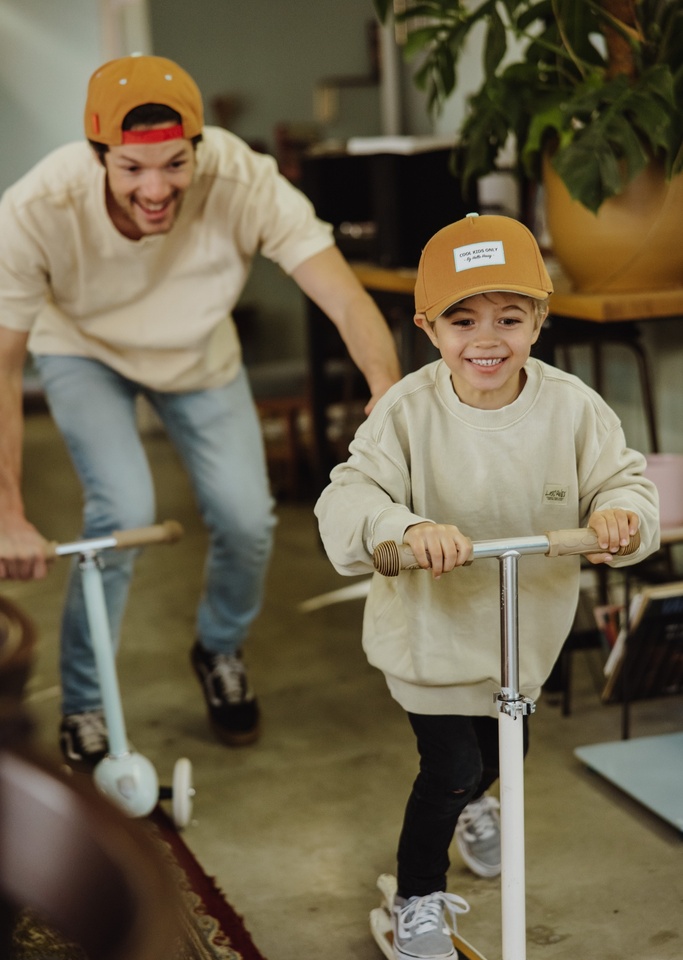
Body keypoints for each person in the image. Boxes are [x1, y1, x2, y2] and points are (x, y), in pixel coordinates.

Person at [0, 54, 401, 769]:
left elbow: (342, 295)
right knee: (119, 512)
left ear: (198, 147)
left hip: (198, 353)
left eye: (174, 165)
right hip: (82, 349)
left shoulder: (243, 178)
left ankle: (218, 649)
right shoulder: (36, 208)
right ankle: (86, 702)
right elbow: (1, 365)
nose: (155, 189)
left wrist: (383, 388)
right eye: (131, 169)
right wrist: (7, 511)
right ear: (99, 157)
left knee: (248, 520)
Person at [315, 213, 659, 960]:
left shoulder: (572, 408)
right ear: (427, 325)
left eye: (509, 317)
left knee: (508, 748)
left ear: (538, 318)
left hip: (522, 636)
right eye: (462, 319)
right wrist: (403, 527)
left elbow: (624, 484)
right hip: (430, 636)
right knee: (450, 768)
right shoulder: (406, 412)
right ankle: (417, 897)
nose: (486, 339)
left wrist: (619, 518)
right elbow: (348, 498)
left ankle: (478, 803)